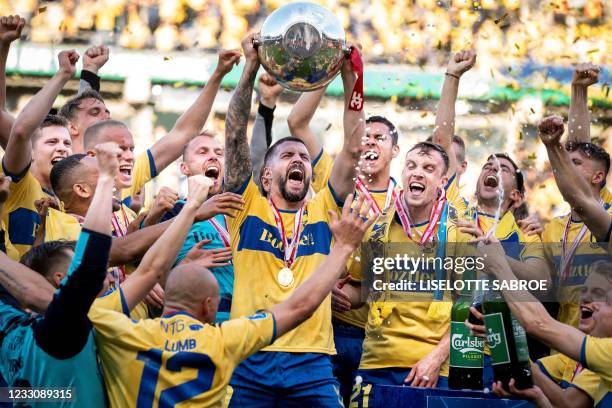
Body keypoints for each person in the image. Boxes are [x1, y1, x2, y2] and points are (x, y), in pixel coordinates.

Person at [88, 195, 375, 407]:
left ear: (164, 296)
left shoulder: (117, 330)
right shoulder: (225, 340)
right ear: (210, 306)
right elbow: (300, 307)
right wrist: (344, 248)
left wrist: (189, 211)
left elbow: (148, 271)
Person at [223, 33, 363, 405]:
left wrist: (352, 79)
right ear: (265, 177)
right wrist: (249, 69)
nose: (299, 159)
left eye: (303, 155)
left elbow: (352, 149)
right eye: (286, 155)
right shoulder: (245, 206)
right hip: (250, 356)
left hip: (312, 362)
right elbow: (234, 134)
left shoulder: (323, 211)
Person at [288, 76, 402, 404]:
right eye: (365, 137)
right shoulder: (333, 176)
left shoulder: (407, 202)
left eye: (379, 138)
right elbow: (296, 121)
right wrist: (326, 73)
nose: (370, 143)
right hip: (330, 331)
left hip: (381, 340)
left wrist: (359, 291)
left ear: (395, 151)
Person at [0, 142, 118, 407]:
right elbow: (90, 267)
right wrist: (107, 179)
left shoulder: (9, 325)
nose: (109, 278)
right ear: (60, 282)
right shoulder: (62, 330)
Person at [59, 48, 240, 211]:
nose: (106, 117)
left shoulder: (123, 170)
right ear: (71, 127)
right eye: (95, 113)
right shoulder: (57, 172)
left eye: (107, 112)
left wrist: (218, 74)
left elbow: (184, 133)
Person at [476, 240, 611, 407]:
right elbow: (562, 402)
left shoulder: (607, 353)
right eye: (583, 291)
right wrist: (504, 340)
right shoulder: (580, 356)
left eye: (601, 297)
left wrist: (498, 264)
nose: (587, 299)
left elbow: (538, 324)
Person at [1, 50, 78, 259]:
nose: (62, 148)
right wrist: (3, 46)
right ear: (31, 153)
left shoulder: (68, 204)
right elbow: (19, 130)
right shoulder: (20, 185)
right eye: (52, 142)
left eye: (67, 143)